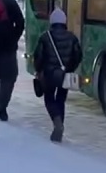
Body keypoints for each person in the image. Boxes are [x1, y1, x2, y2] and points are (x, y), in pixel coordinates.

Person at [32, 8, 83, 143]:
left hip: (49, 75)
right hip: (64, 74)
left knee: (49, 98)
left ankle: (57, 122)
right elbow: (78, 55)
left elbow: (38, 56)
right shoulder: (72, 37)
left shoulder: (45, 37)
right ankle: (60, 125)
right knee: (61, 99)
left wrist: (38, 70)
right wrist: (70, 68)